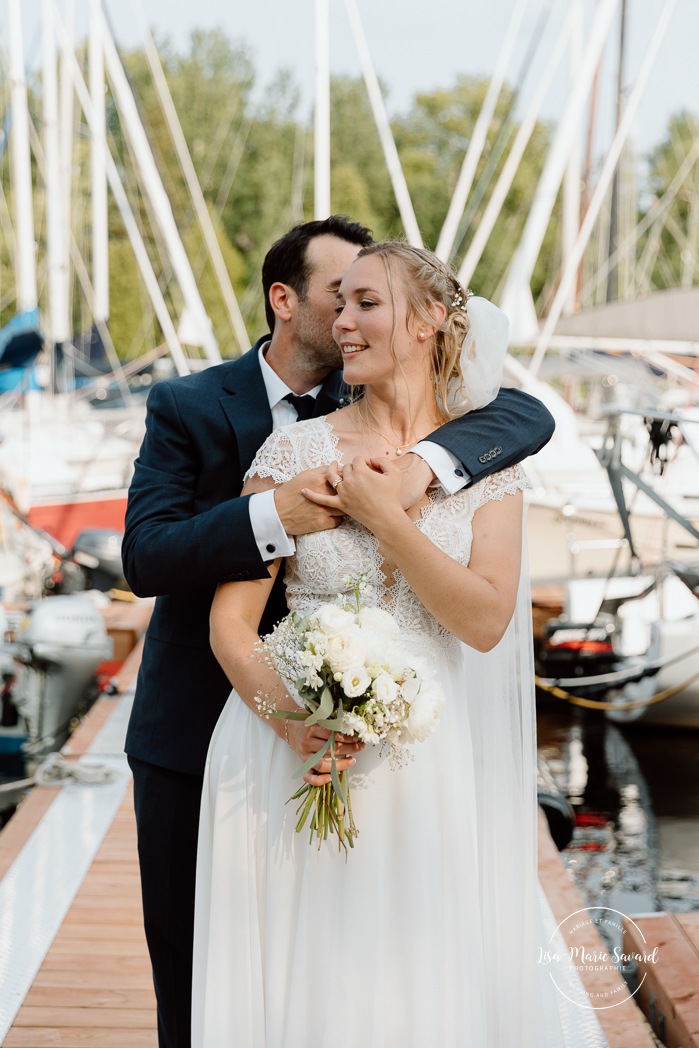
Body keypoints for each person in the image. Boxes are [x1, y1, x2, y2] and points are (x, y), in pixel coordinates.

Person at [123, 218, 556, 1048]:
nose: (345, 318)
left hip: (425, 762)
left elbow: (484, 615)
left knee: (413, 983)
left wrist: (390, 507)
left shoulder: (482, 450)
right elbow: (164, 570)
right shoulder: (257, 436)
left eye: (365, 300)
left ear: (429, 319)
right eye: (337, 298)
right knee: (241, 977)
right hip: (255, 736)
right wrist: (295, 718)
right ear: (287, 303)